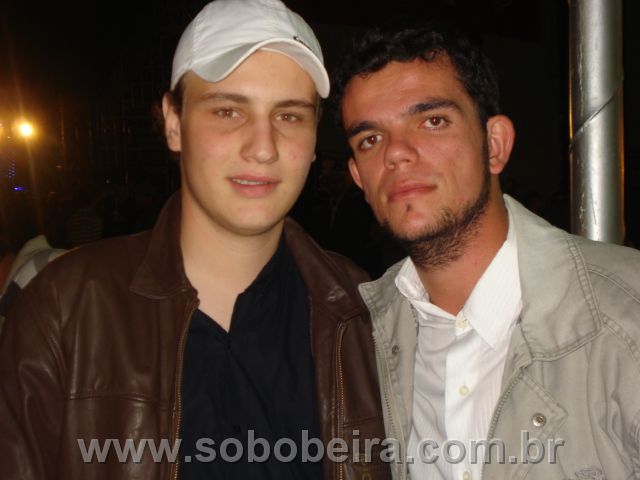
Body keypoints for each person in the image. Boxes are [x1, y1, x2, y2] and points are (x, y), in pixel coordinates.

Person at [0, 1, 390, 479]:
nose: (263, 148)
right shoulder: (65, 308)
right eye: (228, 111)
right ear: (173, 123)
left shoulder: (363, 312)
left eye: (289, 116)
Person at [333, 24, 640, 480]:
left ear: (494, 145)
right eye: (370, 139)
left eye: (432, 121)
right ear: (360, 178)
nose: (395, 153)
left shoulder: (626, 315)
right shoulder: (356, 339)